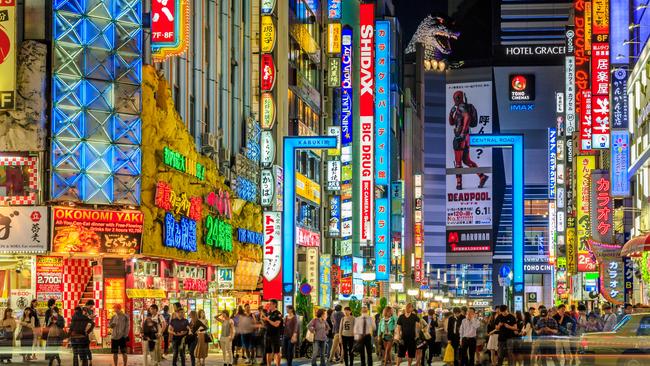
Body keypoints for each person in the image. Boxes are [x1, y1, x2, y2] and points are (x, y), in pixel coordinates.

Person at [449, 89, 489, 190]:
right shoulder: (459, 108)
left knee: (458, 162)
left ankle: (459, 184)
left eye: (455, 98)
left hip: (460, 137)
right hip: (465, 137)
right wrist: (451, 113)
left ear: (458, 98)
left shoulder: (462, 106)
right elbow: (452, 123)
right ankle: (482, 176)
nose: (454, 100)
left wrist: (462, 132)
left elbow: (467, 117)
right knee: (466, 160)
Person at [262, 299, 283, 366]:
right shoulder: (269, 313)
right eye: (269, 304)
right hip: (267, 335)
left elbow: (276, 324)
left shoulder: (278, 314)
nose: (269, 305)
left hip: (275, 336)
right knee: (268, 351)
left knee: (277, 352)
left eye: (270, 304)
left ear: (275, 304)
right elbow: (266, 324)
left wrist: (268, 319)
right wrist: (263, 320)